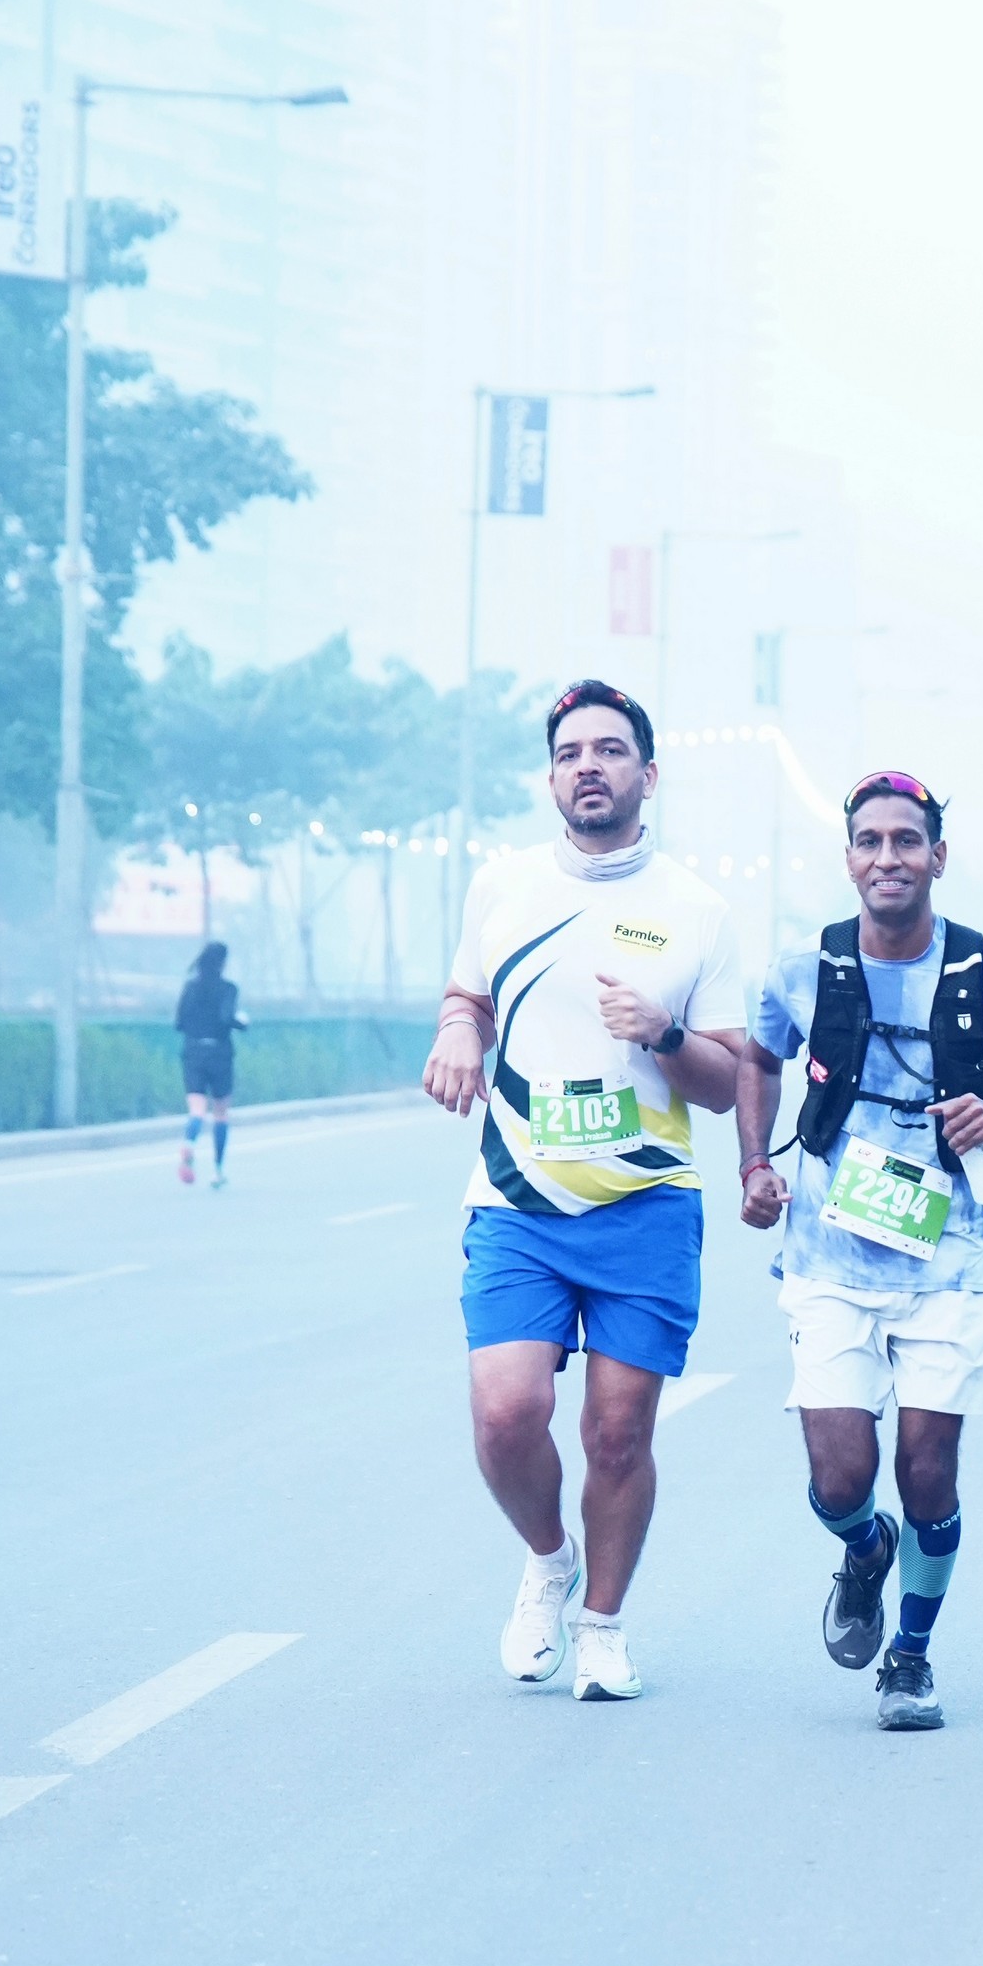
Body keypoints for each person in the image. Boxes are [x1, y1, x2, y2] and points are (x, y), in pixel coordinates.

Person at [423, 680, 746, 1701]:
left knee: (616, 1433)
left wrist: (662, 1031)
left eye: (609, 750)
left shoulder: (697, 909)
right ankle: (548, 1560)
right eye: (569, 754)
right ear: (552, 778)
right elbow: (468, 995)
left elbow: (727, 1082)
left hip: (645, 1207)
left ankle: (602, 1626)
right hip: (517, 1196)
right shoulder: (503, 886)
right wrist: (457, 1033)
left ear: (648, 774)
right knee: (505, 1413)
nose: (587, 767)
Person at [736, 772, 983, 1729]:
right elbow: (758, 1057)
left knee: (929, 1474)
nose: (889, 858)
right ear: (849, 858)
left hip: (947, 1262)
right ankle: (864, 1547)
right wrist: (756, 1163)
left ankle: (911, 1658)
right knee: (841, 1481)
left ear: (937, 857)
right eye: (870, 842)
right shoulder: (801, 969)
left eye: (907, 841)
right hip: (827, 1261)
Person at [175, 941, 246, 1189]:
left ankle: (189, 1143)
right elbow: (227, 1018)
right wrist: (242, 1023)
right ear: (223, 963)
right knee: (220, 1113)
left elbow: (179, 1023)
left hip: (193, 1052)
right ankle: (218, 1170)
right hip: (219, 1053)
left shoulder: (190, 987)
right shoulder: (228, 989)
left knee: (197, 1110)